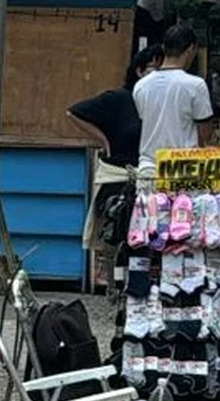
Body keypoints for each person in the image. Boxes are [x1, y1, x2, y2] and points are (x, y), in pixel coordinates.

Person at [67, 45, 163, 249]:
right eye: (153, 69)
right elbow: (74, 112)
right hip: (118, 176)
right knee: (112, 237)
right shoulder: (119, 99)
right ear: (139, 71)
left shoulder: (161, 102)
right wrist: (103, 140)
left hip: (153, 179)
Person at [132, 24, 214, 173]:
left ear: (164, 48)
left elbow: (146, 120)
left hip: (149, 169)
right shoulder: (196, 85)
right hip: (182, 169)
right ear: (191, 49)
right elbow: (205, 133)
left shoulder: (141, 86)